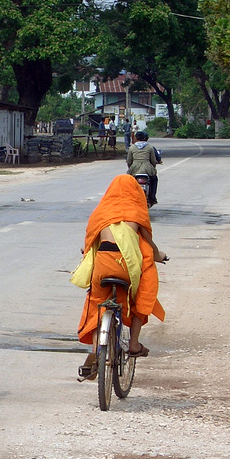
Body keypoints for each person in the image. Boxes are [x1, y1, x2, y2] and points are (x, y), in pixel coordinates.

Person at [71, 174, 167, 380]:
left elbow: (89, 243)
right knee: (142, 295)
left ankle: (97, 352)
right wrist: (159, 256)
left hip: (104, 264)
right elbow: (149, 245)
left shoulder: (101, 213)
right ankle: (133, 343)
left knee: (96, 302)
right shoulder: (136, 212)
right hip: (126, 266)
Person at [126, 130, 162, 205]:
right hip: (147, 168)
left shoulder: (132, 148)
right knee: (154, 179)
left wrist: (130, 168)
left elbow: (129, 161)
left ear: (136, 138)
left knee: (129, 181)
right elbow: (153, 160)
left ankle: (129, 197)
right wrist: (153, 168)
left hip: (134, 168)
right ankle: (152, 197)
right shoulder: (150, 147)